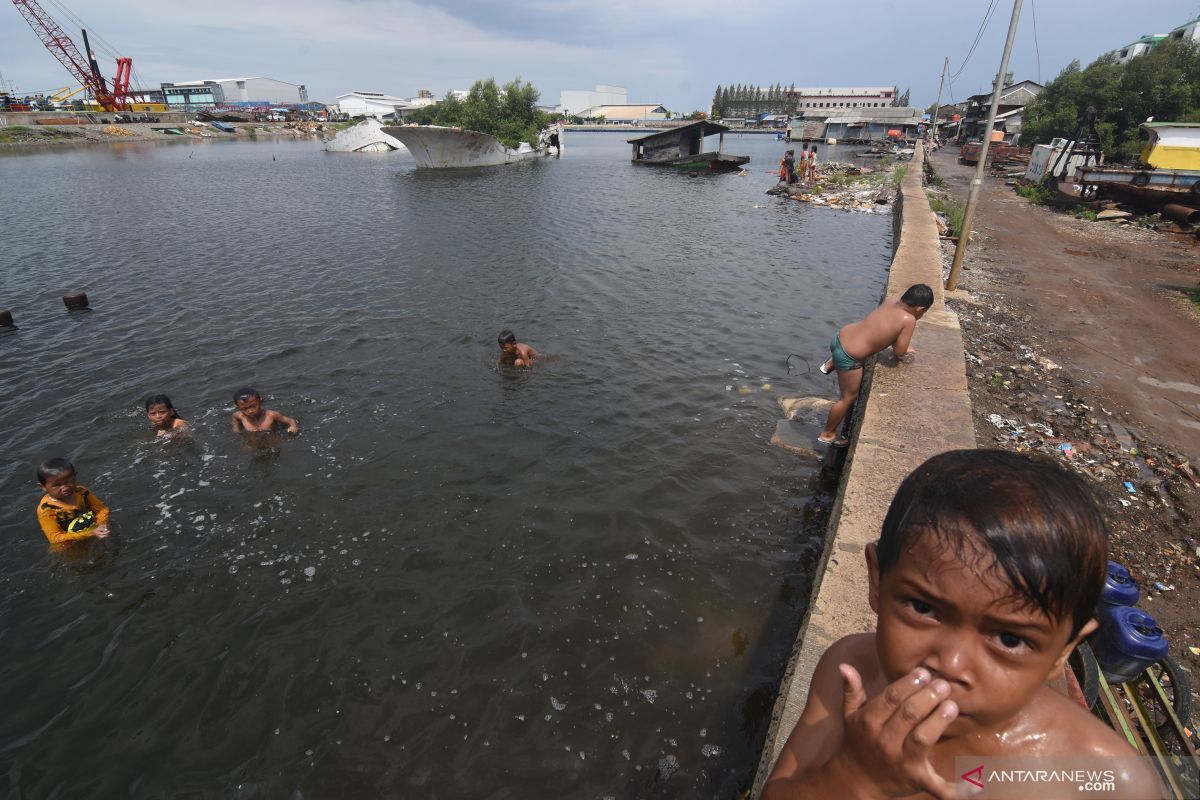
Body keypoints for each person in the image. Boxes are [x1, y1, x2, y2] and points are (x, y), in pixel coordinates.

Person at [762, 450, 1164, 800]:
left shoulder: (1107, 780)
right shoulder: (850, 673)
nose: (950, 664)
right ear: (877, 582)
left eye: (1010, 639)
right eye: (922, 607)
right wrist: (855, 779)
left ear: (1064, 650)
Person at [817, 284, 932, 447]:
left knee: (855, 343)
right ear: (920, 309)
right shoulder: (909, 319)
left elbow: (881, 329)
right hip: (849, 356)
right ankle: (827, 434)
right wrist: (905, 351)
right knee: (848, 398)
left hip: (840, 337)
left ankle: (830, 364)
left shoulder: (890, 302)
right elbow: (899, 352)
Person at [35, 457, 111, 548]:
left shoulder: (82, 492)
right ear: (43, 487)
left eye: (69, 481)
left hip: (95, 532)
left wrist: (102, 524)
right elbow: (55, 539)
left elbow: (101, 510)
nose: (65, 488)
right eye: (56, 485)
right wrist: (89, 533)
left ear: (75, 476)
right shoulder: (46, 509)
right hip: (71, 546)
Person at [231, 387, 299, 433]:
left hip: (272, 434)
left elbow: (290, 420)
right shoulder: (239, 416)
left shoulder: (271, 415)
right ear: (238, 408)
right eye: (245, 408)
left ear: (261, 402)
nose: (250, 410)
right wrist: (237, 430)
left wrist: (293, 426)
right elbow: (235, 420)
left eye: (253, 406)